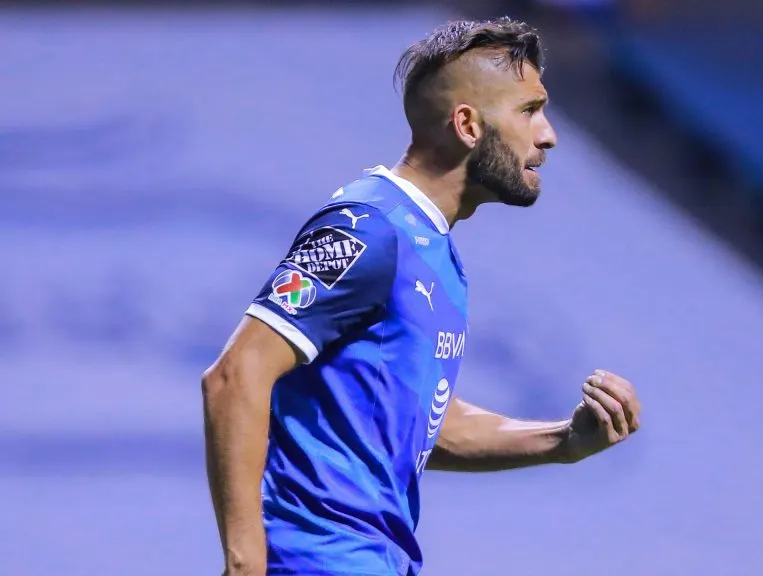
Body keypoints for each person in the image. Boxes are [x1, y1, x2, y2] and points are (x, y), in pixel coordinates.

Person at [201, 16, 642, 576]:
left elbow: (425, 424)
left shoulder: (434, 249)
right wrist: (244, 564)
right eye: (530, 110)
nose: (548, 134)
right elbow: (235, 375)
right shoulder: (369, 227)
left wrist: (561, 440)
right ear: (467, 125)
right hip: (318, 560)